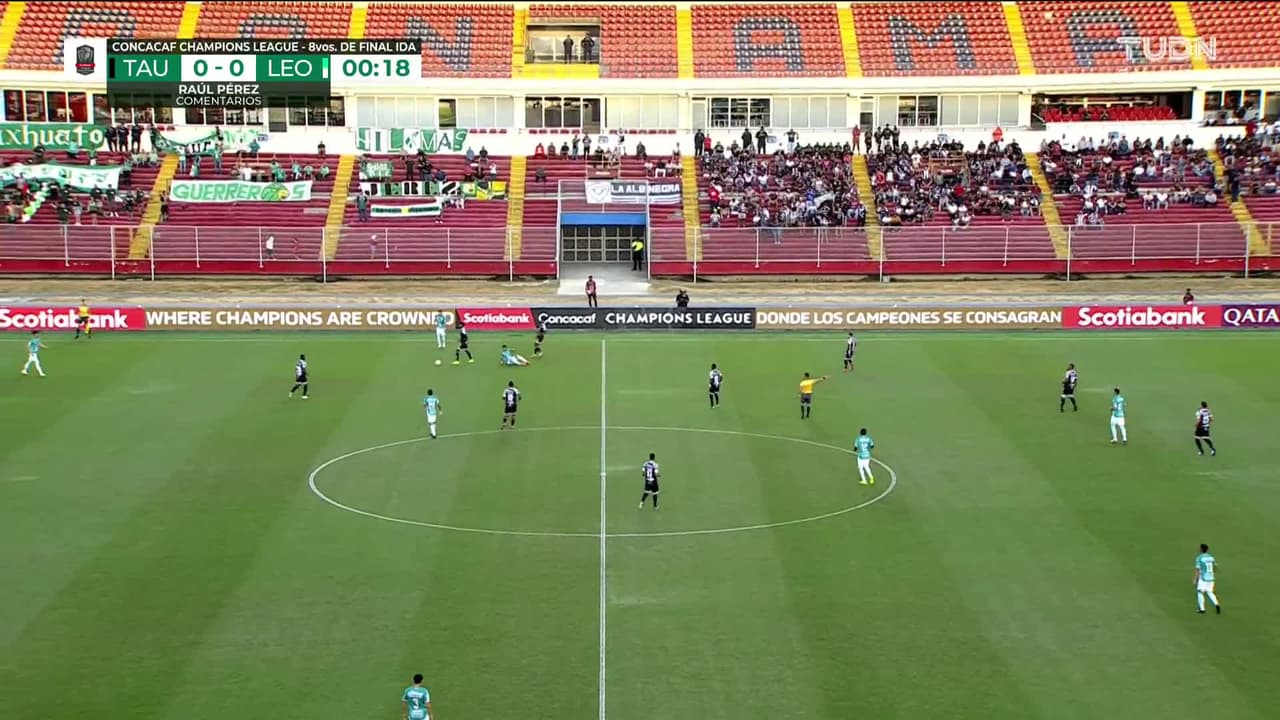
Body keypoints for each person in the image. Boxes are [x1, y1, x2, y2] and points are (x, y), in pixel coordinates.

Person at [1194, 544, 1221, 615]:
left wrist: (1195, 579)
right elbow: (1215, 566)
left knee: (1200, 592)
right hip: (1211, 577)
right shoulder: (1211, 557)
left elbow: (1198, 570)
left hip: (1203, 578)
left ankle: (1202, 609)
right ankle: (1217, 605)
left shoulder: (1199, 558)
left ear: (1201, 549)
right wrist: (1213, 573)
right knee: (1210, 592)